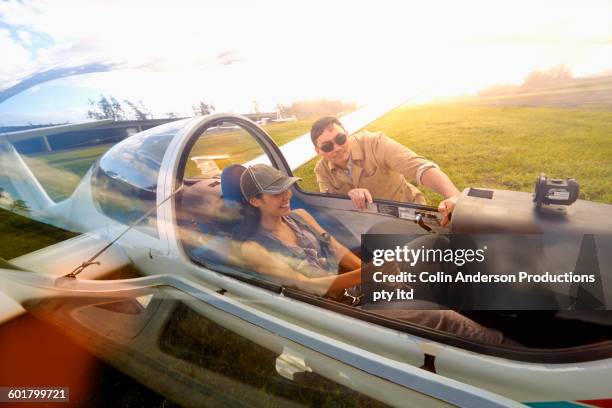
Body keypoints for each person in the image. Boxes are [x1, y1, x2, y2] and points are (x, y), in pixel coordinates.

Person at [237, 163, 516, 346]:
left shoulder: (298, 215)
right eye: (275, 193)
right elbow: (307, 286)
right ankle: (507, 349)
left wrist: (376, 273)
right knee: (441, 319)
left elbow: (338, 249)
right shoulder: (253, 248)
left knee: (437, 246)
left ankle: (484, 313)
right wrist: (368, 276)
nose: (286, 195)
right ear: (254, 201)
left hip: (357, 286)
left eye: (286, 187)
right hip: (335, 310)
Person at [311, 116, 460, 226]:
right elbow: (330, 205)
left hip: (408, 212)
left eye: (341, 138)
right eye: (327, 147)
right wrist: (349, 198)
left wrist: (454, 196)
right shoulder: (321, 171)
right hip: (369, 225)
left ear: (348, 134)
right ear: (318, 151)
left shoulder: (374, 142)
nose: (337, 147)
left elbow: (419, 167)